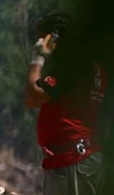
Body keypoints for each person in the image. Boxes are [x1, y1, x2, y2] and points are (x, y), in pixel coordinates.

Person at [25, 12, 107, 195]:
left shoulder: (74, 64)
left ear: (54, 37)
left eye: (43, 39)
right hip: (79, 158)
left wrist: (37, 59)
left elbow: (33, 96)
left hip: (73, 160)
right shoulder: (92, 65)